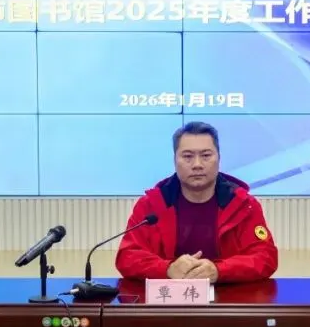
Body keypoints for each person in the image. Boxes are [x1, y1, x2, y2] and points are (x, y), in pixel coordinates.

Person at [115, 121, 278, 283]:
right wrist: (167, 268)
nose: (197, 165)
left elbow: (265, 257)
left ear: (219, 158)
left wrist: (219, 270)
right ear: (175, 160)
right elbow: (127, 257)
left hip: (227, 296)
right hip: (166, 297)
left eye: (206, 156)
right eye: (187, 156)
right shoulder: (151, 205)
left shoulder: (243, 204)